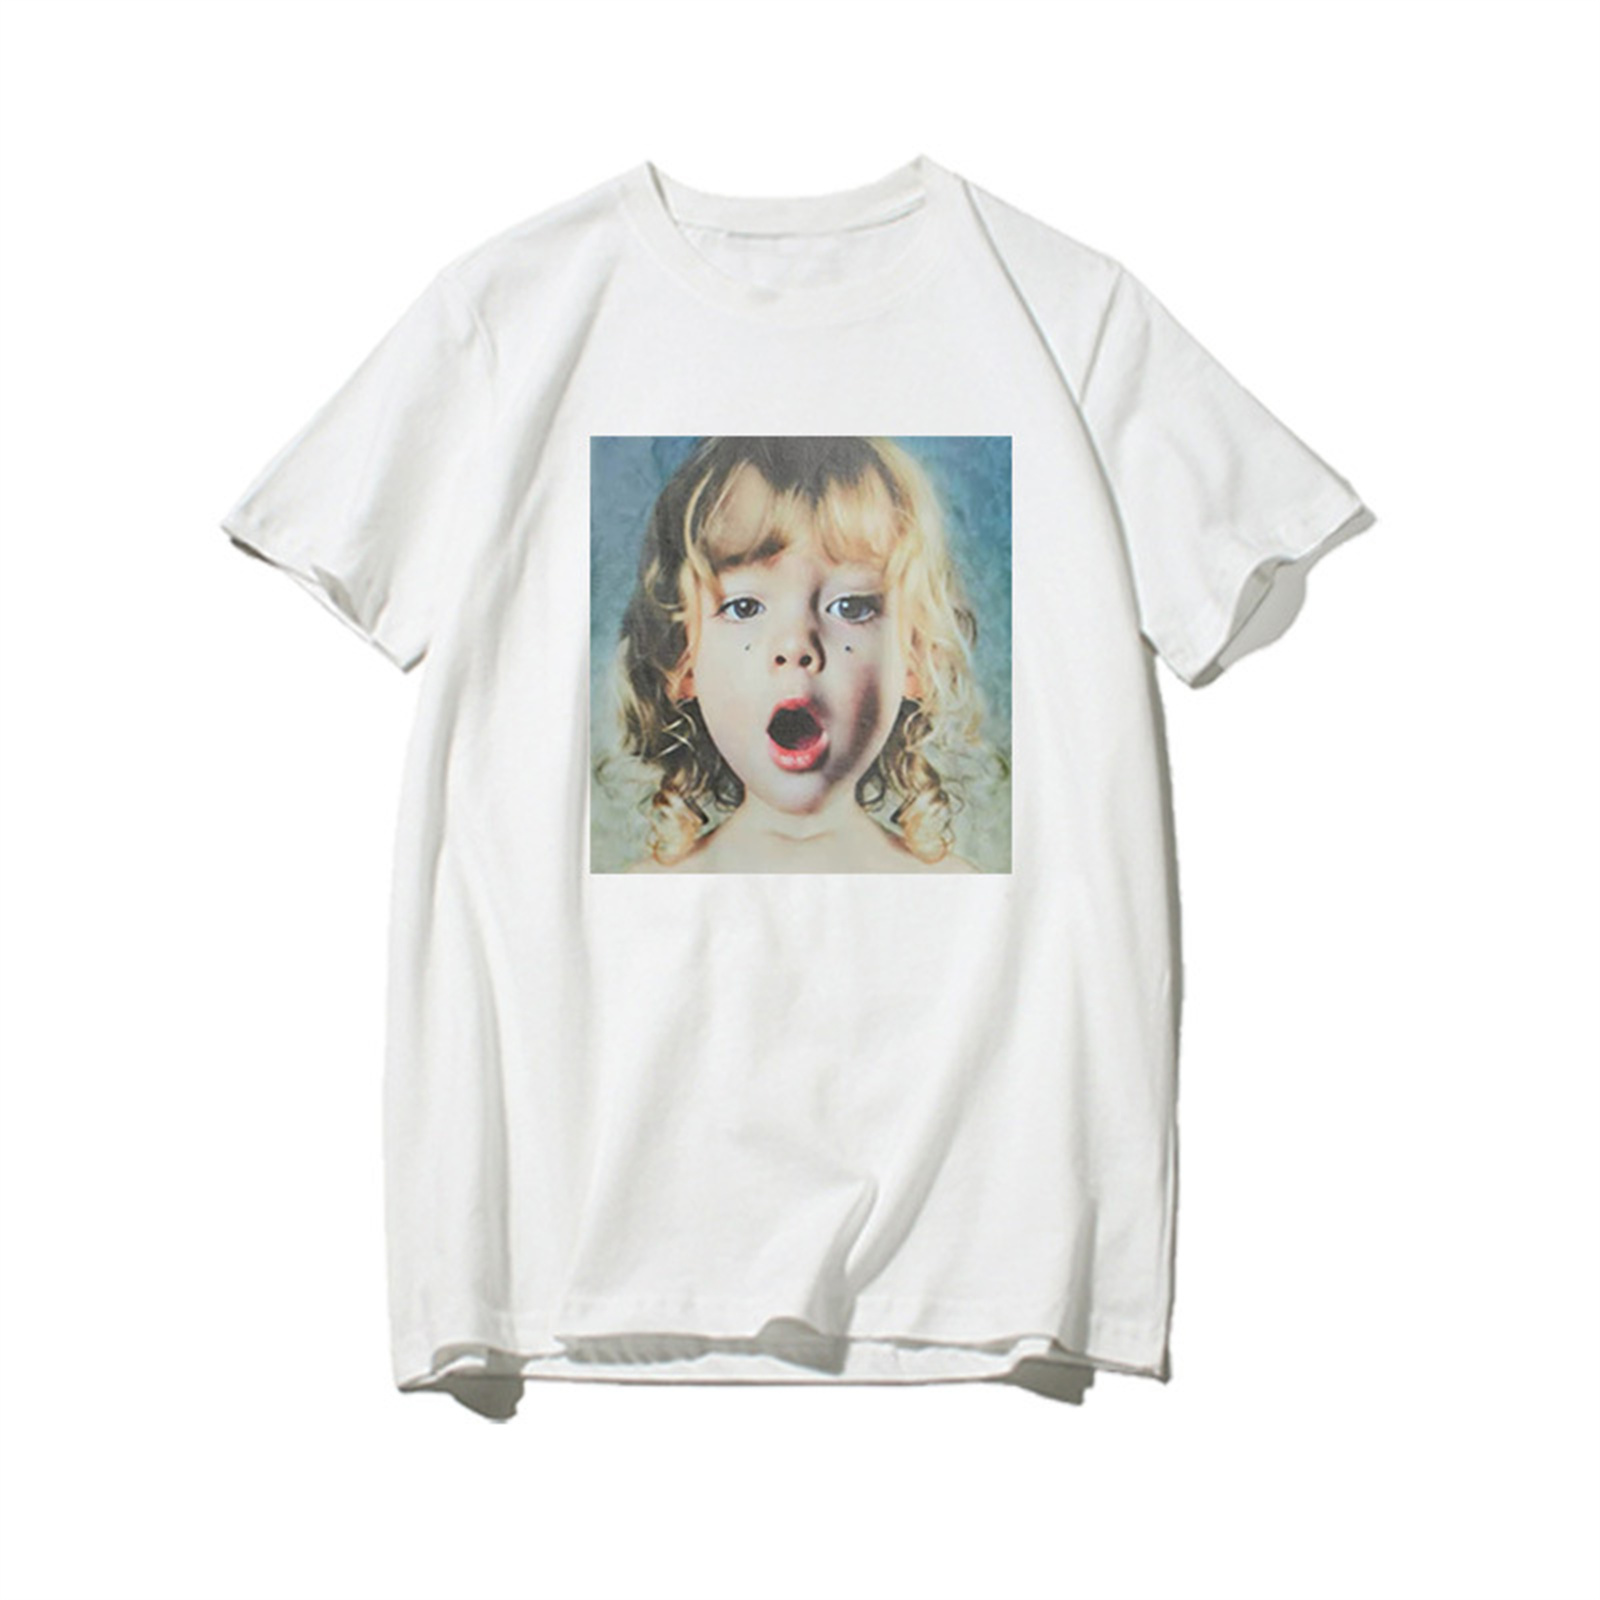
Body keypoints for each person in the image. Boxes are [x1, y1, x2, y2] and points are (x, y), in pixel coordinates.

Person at [597, 437, 1004, 873]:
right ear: (682, 661)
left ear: (915, 658)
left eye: (851, 607)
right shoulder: (647, 890)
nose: (795, 647)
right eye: (744, 607)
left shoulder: (953, 886)